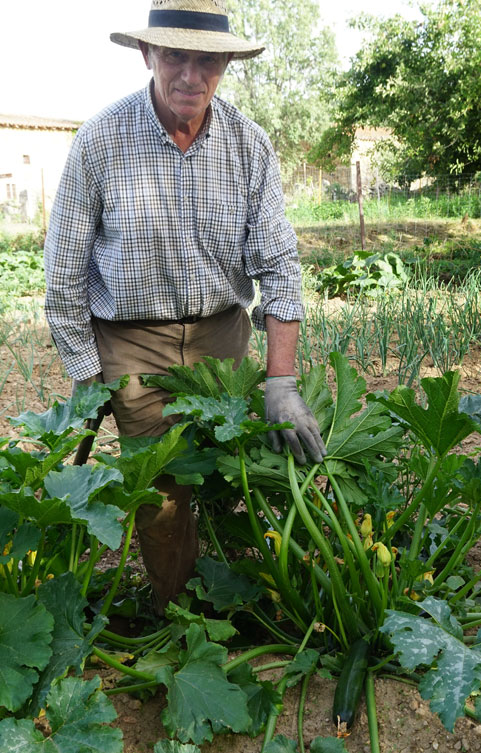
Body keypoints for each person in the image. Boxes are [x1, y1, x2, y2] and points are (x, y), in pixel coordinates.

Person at [43, 0, 327, 616]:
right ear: (148, 55)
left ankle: (238, 598)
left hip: (220, 338)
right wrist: (86, 373)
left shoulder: (249, 144)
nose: (190, 76)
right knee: (162, 496)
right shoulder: (101, 139)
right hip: (130, 341)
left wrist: (281, 380)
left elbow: (278, 264)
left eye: (208, 60)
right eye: (175, 56)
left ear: (225, 64)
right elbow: (64, 272)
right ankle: (185, 618)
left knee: (229, 471)